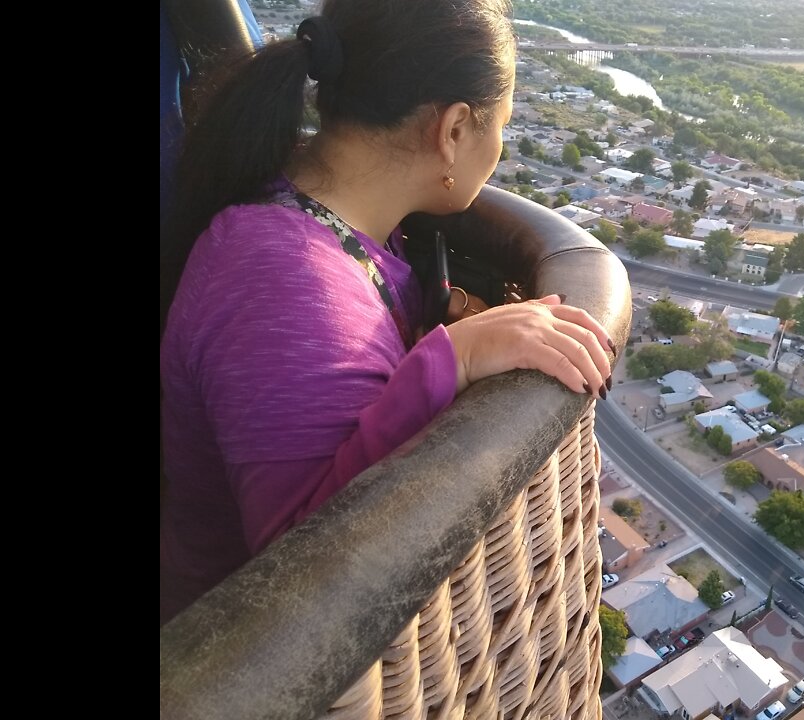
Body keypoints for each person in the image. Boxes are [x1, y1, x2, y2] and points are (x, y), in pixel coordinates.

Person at [159, 0, 614, 625]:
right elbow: (297, 575)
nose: (502, 146)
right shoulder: (281, 280)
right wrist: (453, 358)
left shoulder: (310, 209)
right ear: (454, 130)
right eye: (501, 124)